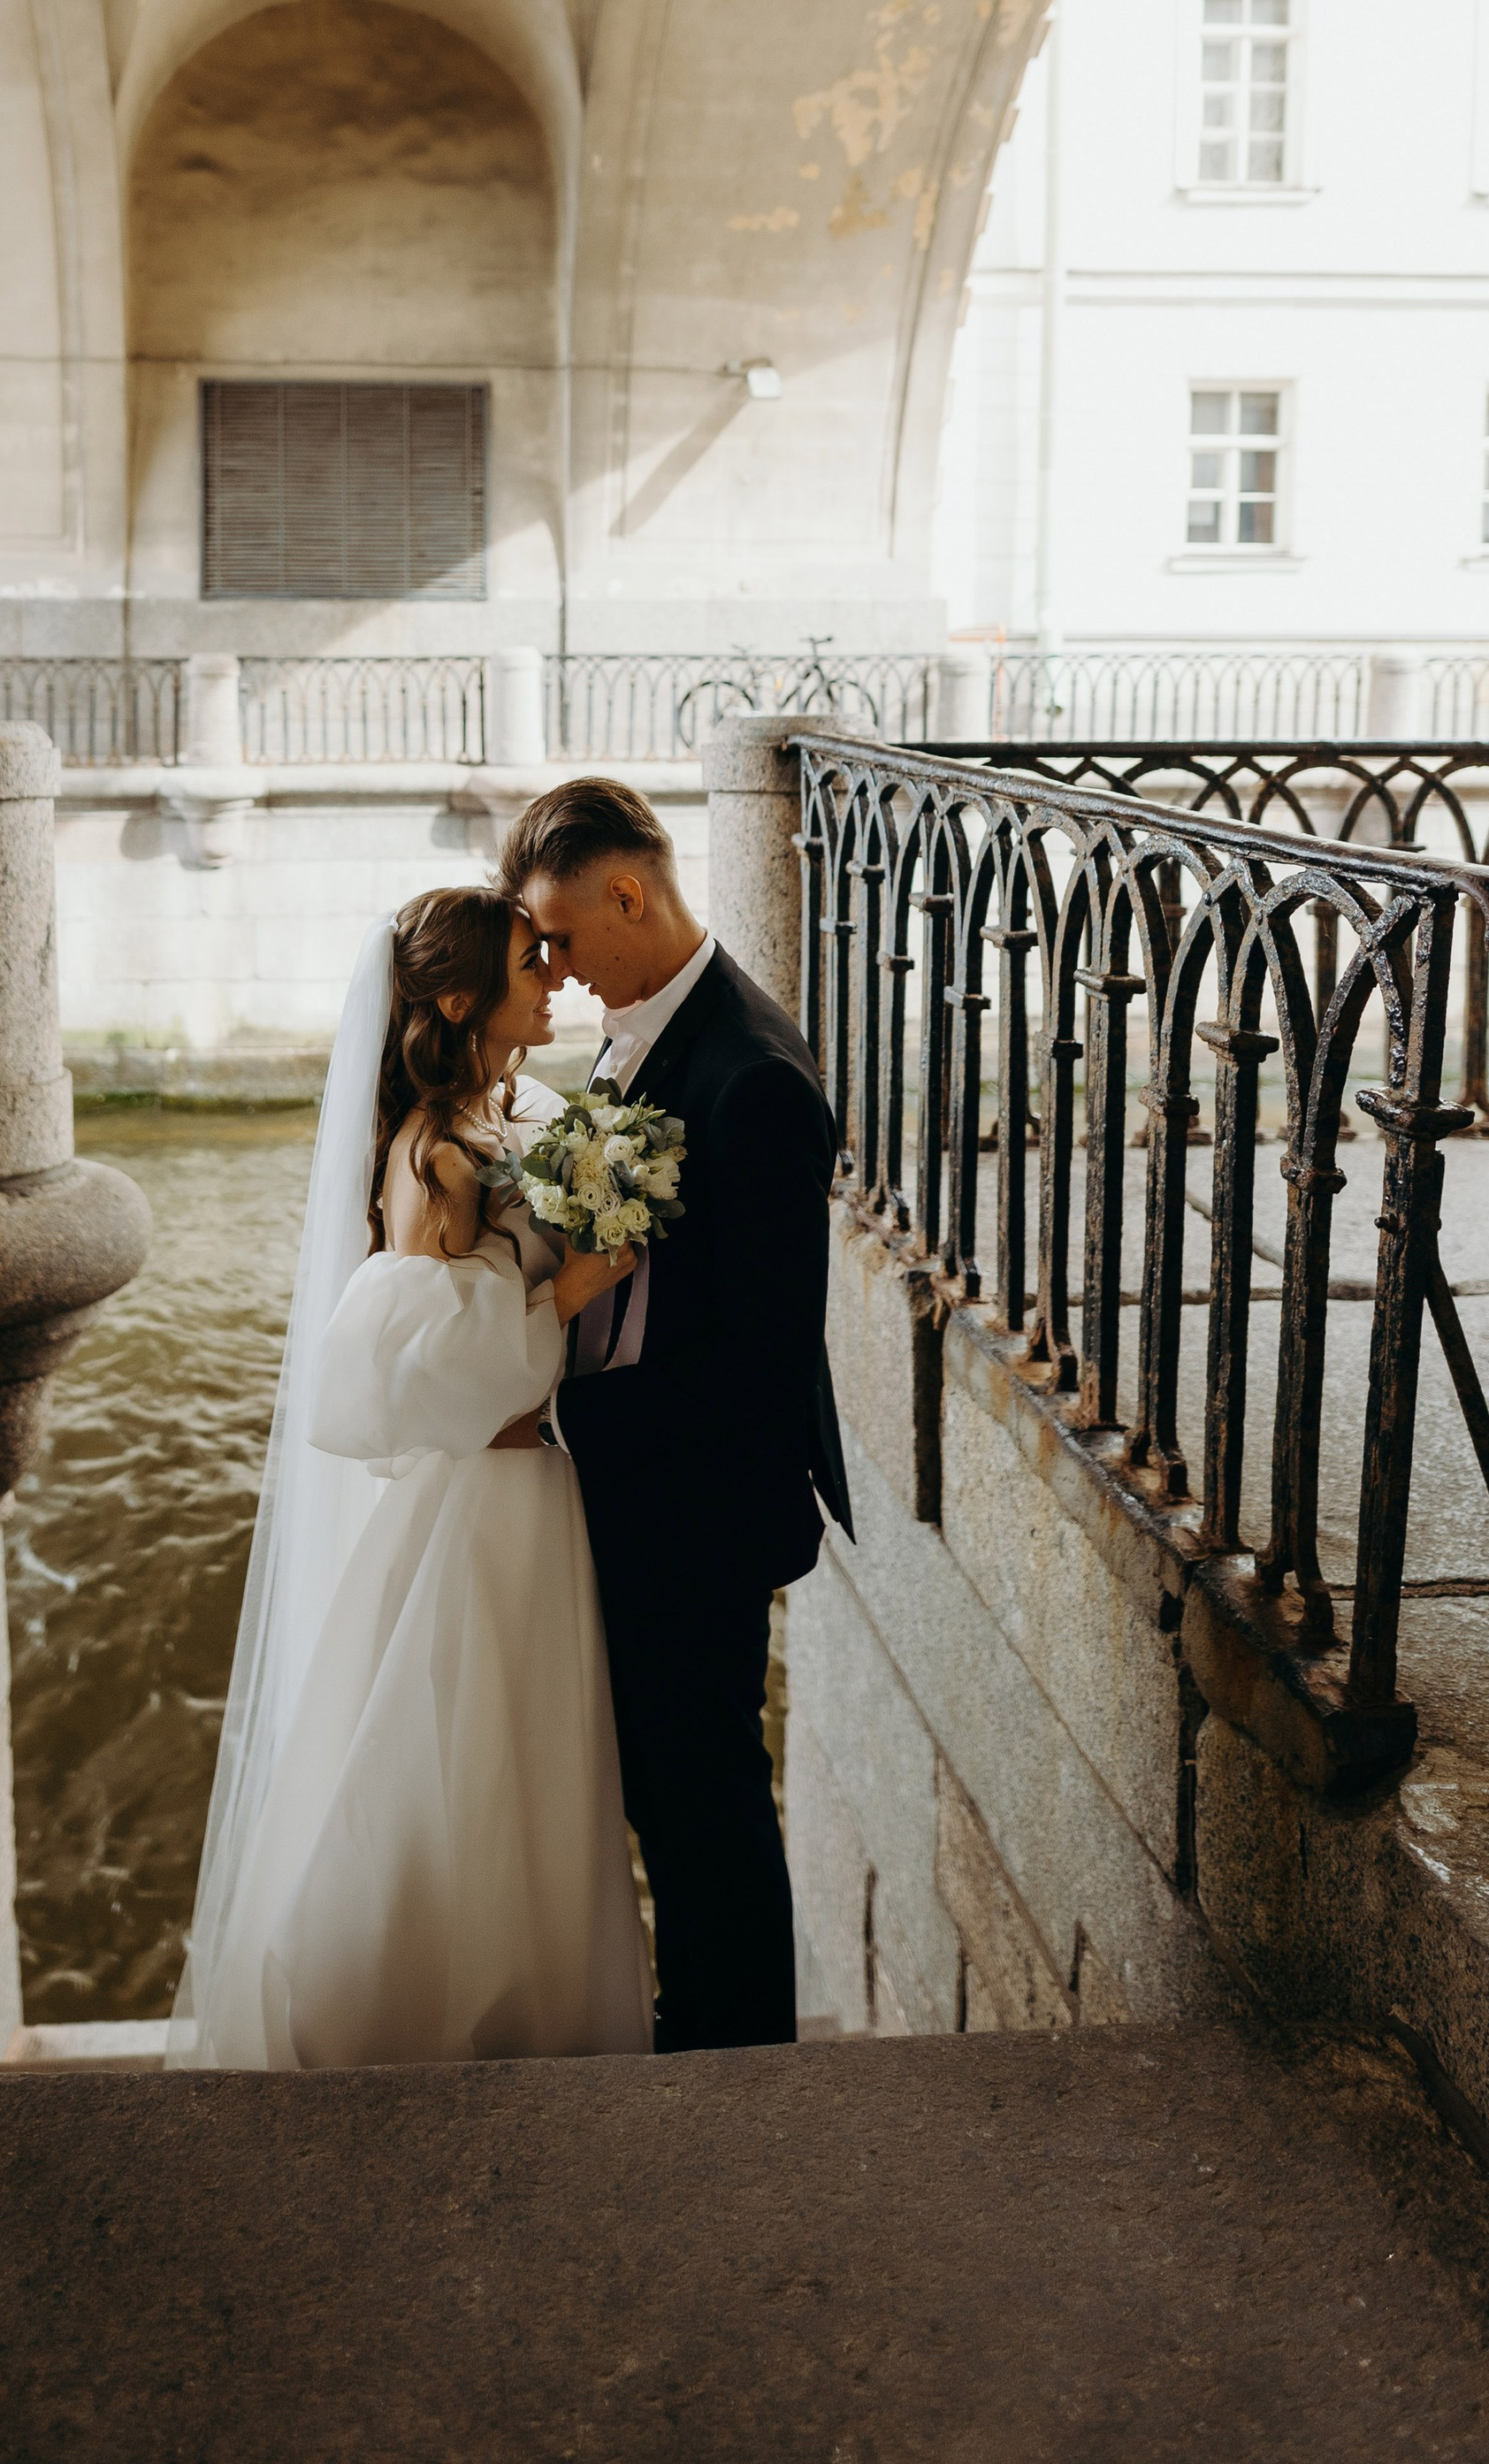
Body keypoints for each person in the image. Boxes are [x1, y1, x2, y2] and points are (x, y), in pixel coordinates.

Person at [169, 885, 652, 2069]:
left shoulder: (525, 1111)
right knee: (463, 1769)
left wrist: (606, 1210)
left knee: (535, 1777)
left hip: (541, 1495)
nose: (552, 977)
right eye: (529, 965)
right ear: (457, 998)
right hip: (482, 1506)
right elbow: (410, 1353)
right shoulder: (432, 1149)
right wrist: (571, 1292)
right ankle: (434, 2015)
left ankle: (544, 2011)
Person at [498, 776, 851, 2054]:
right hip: (646, 1492)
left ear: (630, 893)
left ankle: (740, 2061)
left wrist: (568, 1423)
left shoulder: (751, 1076)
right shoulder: (645, 1028)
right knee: (668, 1788)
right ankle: (691, 2023)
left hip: (697, 1507)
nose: (552, 964)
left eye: (560, 934)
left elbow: (762, 1359)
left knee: (706, 1796)